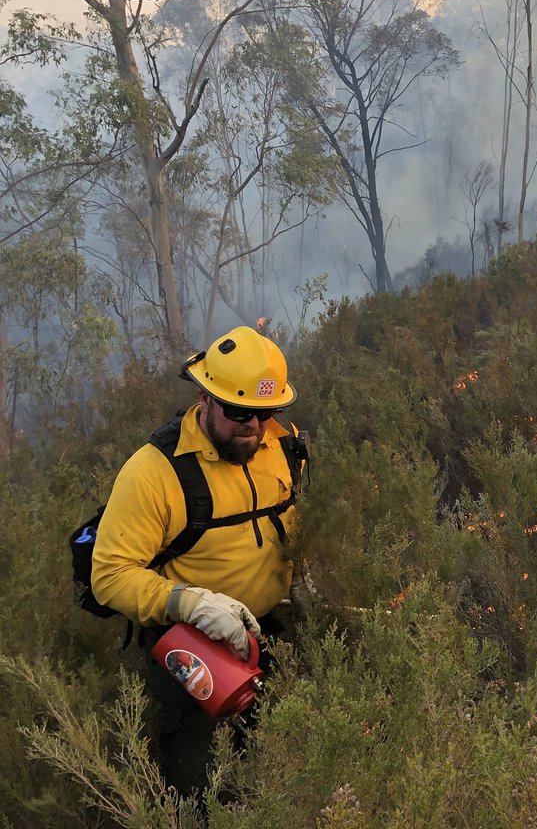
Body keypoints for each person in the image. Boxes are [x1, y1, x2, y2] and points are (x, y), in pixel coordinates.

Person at [91, 325, 299, 801]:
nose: (252, 426)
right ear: (205, 397)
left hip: (270, 636)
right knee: (201, 791)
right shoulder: (154, 472)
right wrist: (190, 603)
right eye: (239, 411)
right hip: (194, 652)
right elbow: (109, 576)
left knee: (278, 775)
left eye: (266, 413)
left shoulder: (281, 447)